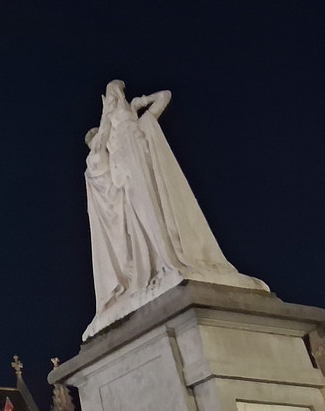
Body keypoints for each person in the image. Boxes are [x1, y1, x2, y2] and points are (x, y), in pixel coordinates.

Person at [84, 80, 265, 338]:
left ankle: (168, 262)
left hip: (144, 179)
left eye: (117, 96)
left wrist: (141, 102)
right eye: (112, 98)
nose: (115, 101)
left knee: (157, 219)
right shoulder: (105, 149)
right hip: (127, 186)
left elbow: (165, 96)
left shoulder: (134, 122)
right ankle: (150, 271)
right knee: (138, 233)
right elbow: (100, 149)